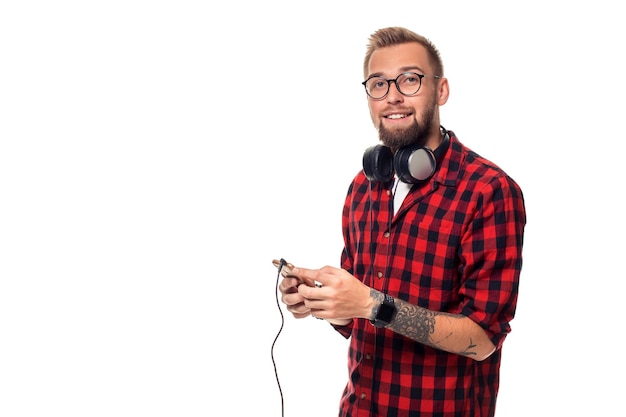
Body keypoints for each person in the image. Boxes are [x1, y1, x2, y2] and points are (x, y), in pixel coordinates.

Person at [278, 26, 526, 417]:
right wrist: (324, 302)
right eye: (378, 83)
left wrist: (373, 304)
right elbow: (357, 318)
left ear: (441, 91)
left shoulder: (488, 191)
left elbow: (482, 340)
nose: (392, 95)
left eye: (409, 79)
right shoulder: (364, 185)